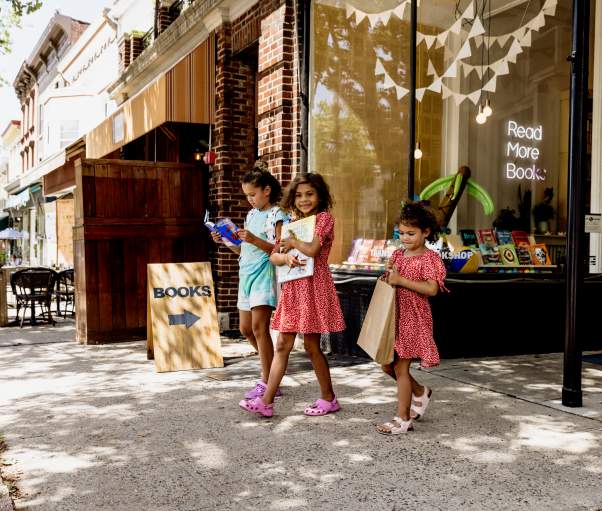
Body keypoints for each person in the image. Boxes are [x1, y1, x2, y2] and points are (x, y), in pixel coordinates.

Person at [239, 173, 345, 417]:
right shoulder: (292, 222)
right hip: (293, 288)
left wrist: (293, 242)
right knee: (282, 343)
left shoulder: (323, 219)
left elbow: (314, 250)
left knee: (311, 346)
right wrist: (285, 256)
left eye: (309, 194)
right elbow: (275, 255)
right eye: (298, 195)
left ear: (320, 196)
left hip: (314, 287)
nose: (304, 199)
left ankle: (328, 398)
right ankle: (266, 401)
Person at [211, 162, 287, 400]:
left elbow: (279, 249)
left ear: (267, 190)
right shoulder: (251, 214)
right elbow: (243, 251)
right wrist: (225, 240)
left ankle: (267, 380)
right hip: (246, 273)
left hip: (264, 274)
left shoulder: (277, 214)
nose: (250, 200)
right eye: (247, 196)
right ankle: (272, 371)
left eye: (252, 194)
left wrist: (253, 239)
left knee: (259, 328)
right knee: (245, 329)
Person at [376, 202, 447, 435]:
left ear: (426, 232)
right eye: (401, 233)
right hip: (393, 316)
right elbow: (391, 280)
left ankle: (403, 419)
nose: (405, 238)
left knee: (400, 367)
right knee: (387, 365)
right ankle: (419, 392)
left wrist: (401, 280)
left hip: (413, 317)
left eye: (410, 233)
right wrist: (388, 276)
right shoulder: (398, 254)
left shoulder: (430, 259)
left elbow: (432, 289)